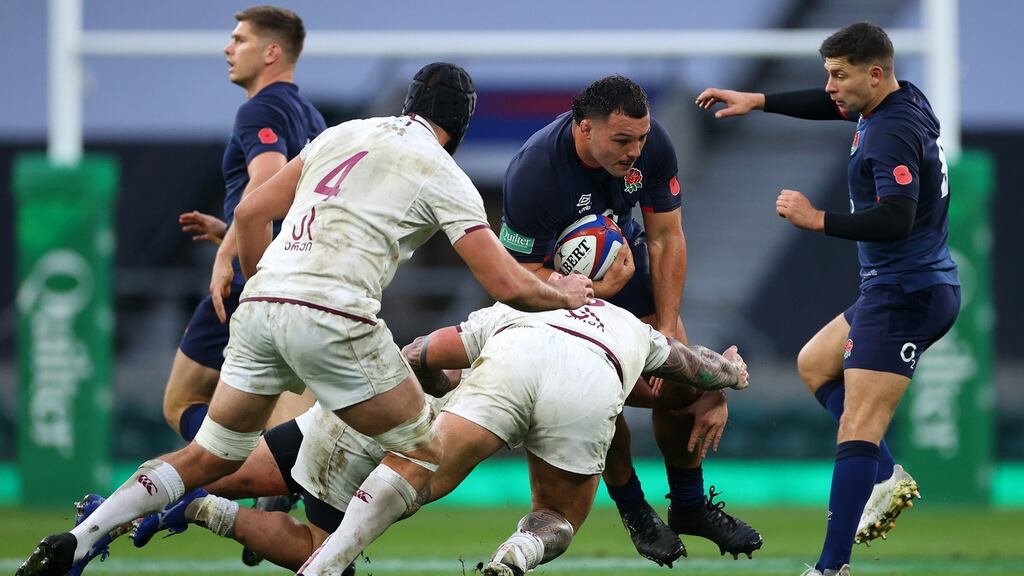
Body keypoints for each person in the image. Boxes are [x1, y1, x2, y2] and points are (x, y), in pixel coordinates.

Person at [16, 62, 593, 576]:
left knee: (207, 456)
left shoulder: (341, 134)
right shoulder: (442, 173)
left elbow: (248, 211)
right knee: (425, 451)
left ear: (409, 104)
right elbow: (506, 284)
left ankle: (82, 536)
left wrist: (262, 286)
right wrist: (565, 293)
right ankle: (324, 567)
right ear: (460, 128)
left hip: (263, 304)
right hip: (336, 316)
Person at [133, 298, 749, 576]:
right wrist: (734, 372)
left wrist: (388, 390)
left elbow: (423, 352)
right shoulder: (630, 336)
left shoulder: (517, 310)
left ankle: (144, 509)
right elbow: (699, 367)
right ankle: (520, 554)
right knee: (555, 515)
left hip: (367, 407)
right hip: (381, 421)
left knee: (226, 463)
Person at [695, 21, 960, 576]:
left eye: (840, 75)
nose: (831, 86)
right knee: (815, 363)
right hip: (903, 286)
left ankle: (830, 567)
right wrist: (759, 100)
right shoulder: (900, 101)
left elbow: (896, 215)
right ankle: (884, 475)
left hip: (904, 293)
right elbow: (831, 104)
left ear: (875, 72)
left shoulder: (887, 133)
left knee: (856, 427)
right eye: (828, 75)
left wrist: (815, 219)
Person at [499, 74, 761, 565]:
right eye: (622, 140)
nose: (635, 150)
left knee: (688, 388)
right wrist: (595, 292)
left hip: (630, 268)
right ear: (583, 128)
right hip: (558, 302)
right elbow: (518, 278)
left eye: (640, 138)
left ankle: (687, 505)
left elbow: (666, 237)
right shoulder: (534, 172)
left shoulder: (652, 144)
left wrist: (666, 332)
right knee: (600, 402)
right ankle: (634, 508)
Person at [163, 6, 324, 565]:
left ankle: (256, 474)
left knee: (183, 400)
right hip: (304, 275)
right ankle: (274, 485)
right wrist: (225, 227)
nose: (228, 48)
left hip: (256, 275)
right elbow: (297, 200)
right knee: (282, 399)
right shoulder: (315, 117)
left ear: (271, 52)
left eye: (239, 39)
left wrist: (228, 254)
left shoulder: (260, 107)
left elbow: (265, 179)